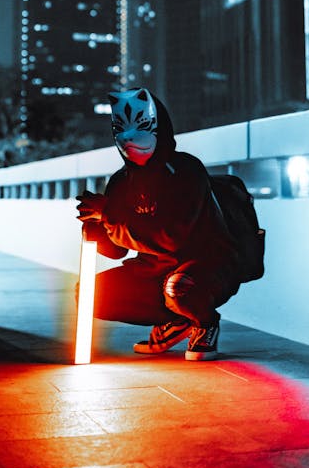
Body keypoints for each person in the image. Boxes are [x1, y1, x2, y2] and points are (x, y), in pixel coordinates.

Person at [76, 88, 241, 361]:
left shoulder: (186, 171)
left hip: (206, 266)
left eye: (141, 126)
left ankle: (204, 323)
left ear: (159, 127)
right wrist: (95, 227)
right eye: (120, 128)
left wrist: (110, 215)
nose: (129, 138)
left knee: (179, 288)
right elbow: (118, 250)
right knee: (88, 293)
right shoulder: (121, 181)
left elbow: (173, 237)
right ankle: (176, 321)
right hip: (153, 271)